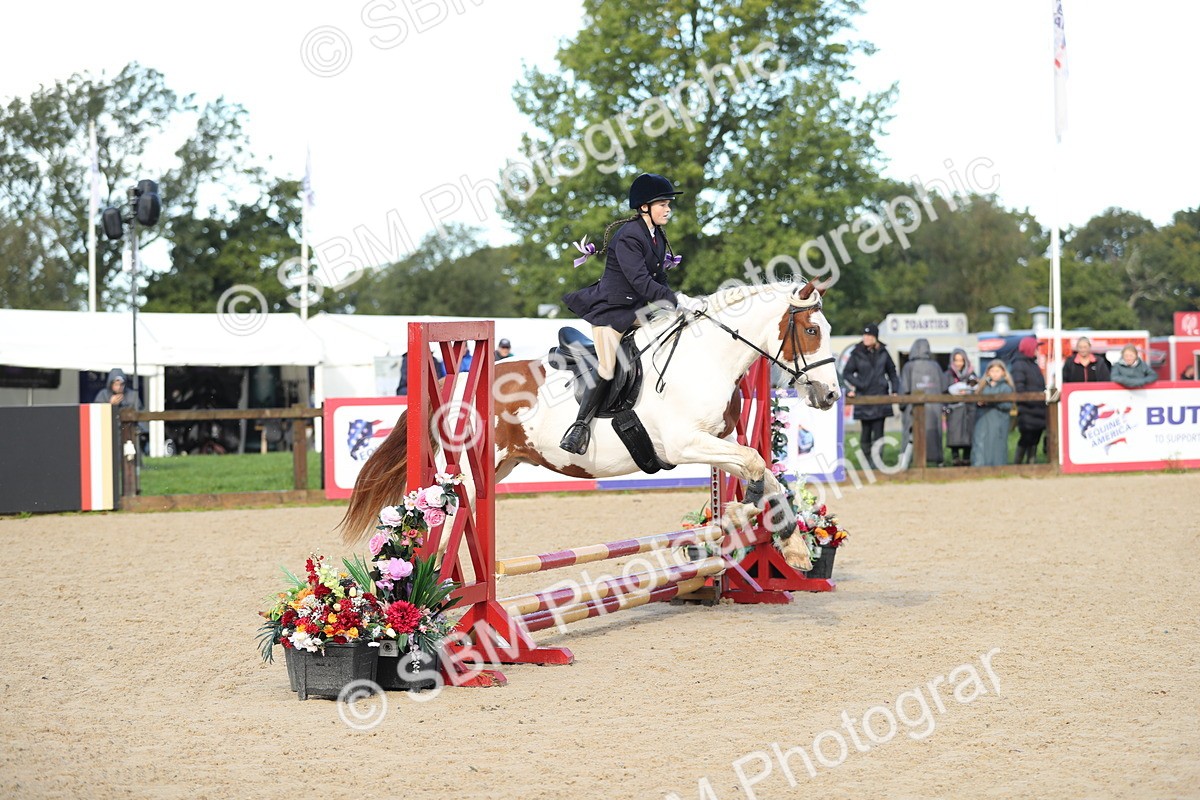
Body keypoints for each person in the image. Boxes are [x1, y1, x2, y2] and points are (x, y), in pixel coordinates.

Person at [558, 172, 705, 454]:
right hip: (611, 311)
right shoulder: (628, 237)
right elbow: (640, 281)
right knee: (607, 366)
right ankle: (578, 428)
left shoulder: (656, 236)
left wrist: (678, 299)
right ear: (644, 207)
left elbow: (658, 277)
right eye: (663, 203)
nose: (668, 209)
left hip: (636, 310)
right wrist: (673, 299)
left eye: (668, 204)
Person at [843, 323, 898, 469]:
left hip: (880, 398)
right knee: (865, 434)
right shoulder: (857, 353)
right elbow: (847, 373)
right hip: (864, 398)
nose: (866, 338)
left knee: (879, 434)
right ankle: (866, 464)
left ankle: (877, 464)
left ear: (875, 337)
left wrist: (895, 389)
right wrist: (859, 384)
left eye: (869, 335)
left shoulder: (884, 353)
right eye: (865, 335)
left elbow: (892, 372)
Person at [898, 338, 948, 467]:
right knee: (934, 435)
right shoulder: (935, 366)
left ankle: (904, 464)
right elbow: (944, 387)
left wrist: (902, 406)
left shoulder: (909, 367)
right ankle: (939, 463)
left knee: (910, 437)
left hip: (913, 409)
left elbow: (904, 389)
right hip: (934, 409)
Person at [1008, 337, 1047, 464]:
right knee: (1026, 438)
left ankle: (1031, 463)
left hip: (1038, 409)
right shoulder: (1019, 365)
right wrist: (1033, 400)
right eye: (1036, 348)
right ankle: (1018, 464)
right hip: (1027, 409)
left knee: (1035, 438)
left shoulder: (1033, 365)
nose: (1037, 350)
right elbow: (1020, 388)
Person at [971, 360, 1014, 466]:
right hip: (982, 421)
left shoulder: (1006, 388)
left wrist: (992, 401)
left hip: (998, 421)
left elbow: (1007, 405)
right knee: (980, 445)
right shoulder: (983, 386)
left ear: (1003, 372)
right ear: (988, 372)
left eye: (997, 371)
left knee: (997, 446)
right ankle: (979, 468)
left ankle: (998, 469)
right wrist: (979, 402)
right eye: (992, 370)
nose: (995, 373)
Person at [943, 348, 977, 466]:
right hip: (954, 409)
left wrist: (968, 391)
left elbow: (976, 388)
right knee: (954, 434)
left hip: (968, 409)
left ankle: (967, 458)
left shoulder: (971, 375)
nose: (959, 363)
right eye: (956, 360)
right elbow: (943, 391)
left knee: (968, 433)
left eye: (961, 360)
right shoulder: (948, 375)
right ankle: (955, 457)